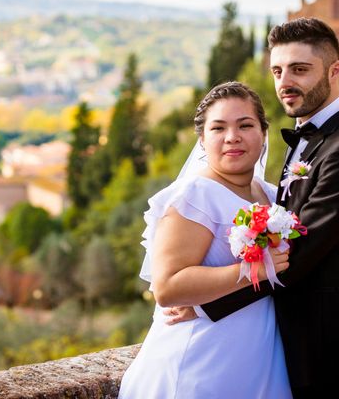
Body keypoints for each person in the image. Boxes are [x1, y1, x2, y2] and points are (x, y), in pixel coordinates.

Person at [168, 17, 339, 398]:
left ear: (335, 70)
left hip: (328, 342)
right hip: (291, 337)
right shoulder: (307, 136)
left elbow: (300, 252)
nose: (285, 82)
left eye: (300, 69)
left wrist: (208, 305)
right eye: (277, 70)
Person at [118, 82, 292, 398]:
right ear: (202, 140)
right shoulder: (194, 197)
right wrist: (253, 270)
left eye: (245, 125)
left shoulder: (270, 195)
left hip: (256, 359)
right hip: (201, 362)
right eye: (218, 128)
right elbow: (168, 287)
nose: (232, 137)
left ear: (263, 133)